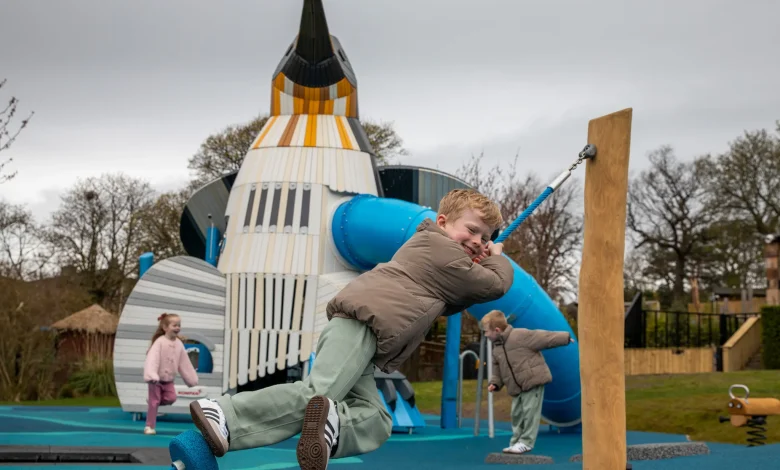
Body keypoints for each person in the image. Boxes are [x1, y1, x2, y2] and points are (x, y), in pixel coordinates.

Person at [189, 188, 514, 470]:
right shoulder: (439, 249)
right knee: (316, 392)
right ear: (443, 223)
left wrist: (481, 260)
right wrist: (496, 257)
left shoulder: (442, 260)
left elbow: (456, 297)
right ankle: (223, 413)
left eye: (485, 238)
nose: (477, 241)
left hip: (368, 338)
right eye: (471, 231)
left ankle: (332, 426)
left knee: (376, 419)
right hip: (362, 323)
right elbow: (494, 286)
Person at [483, 309, 574, 454]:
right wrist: (495, 382)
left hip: (532, 381)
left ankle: (526, 442)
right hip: (516, 386)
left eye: (486, 331)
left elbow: (544, 337)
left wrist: (564, 338)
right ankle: (516, 441)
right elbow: (496, 368)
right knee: (516, 414)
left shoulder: (520, 335)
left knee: (530, 412)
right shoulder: (497, 348)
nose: (485, 335)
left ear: (497, 330)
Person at [142, 313, 199, 435]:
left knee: (171, 398)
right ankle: (149, 426)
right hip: (155, 380)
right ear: (165, 327)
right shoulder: (160, 342)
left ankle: (153, 402)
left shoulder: (179, 344)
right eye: (174, 325)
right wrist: (152, 375)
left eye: (179, 325)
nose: (177, 328)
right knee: (154, 402)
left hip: (168, 380)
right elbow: (153, 359)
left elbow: (184, 362)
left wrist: (191, 378)